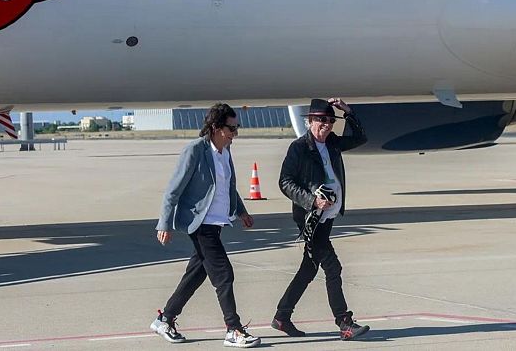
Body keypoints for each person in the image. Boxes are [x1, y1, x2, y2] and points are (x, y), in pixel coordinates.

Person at [152, 103, 260, 348]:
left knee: (196, 273)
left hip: (217, 222)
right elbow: (173, 190)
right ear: (215, 127)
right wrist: (164, 224)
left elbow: (228, 186)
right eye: (231, 128)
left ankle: (165, 319)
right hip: (200, 223)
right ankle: (233, 329)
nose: (235, 133)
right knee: (224, 274)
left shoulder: (225, 151)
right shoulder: (195, 151)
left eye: (237, 127)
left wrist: (241, 211)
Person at [270, 98, 370, 341]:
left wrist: (348, 112)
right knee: (333, 267)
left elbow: (361, 138)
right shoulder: (299, 148)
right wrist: (312, 201)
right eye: (321, 120)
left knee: (309, 268)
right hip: (311, 218)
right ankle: (344, 322)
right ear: (310, 121)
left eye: (330, 120)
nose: (326, 124)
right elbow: (285, 181)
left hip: (328, 216)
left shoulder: (332, 143)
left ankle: (282, 316)